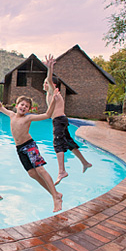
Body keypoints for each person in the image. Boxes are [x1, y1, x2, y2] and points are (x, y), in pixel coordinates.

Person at [0, 87, 63, 213]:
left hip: (29, 146)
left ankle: (56, 198)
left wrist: (53, 100)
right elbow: (0, 107)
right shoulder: (11, 115)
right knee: (32, 174)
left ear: (29, 110)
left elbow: (47, 115)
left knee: (40, 169)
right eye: (22, 104)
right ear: (17, 105)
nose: (24, 107)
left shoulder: (28, 118)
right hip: (19, 149)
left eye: (26, 106)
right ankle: (55, 193)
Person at [43, 55, 92, 185]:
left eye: (46, 82)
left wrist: (50, 68)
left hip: (59, 120)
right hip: (61, 119)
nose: (44, 84)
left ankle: (61, 171)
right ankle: (85, 163)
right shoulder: (51, 94)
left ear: (53, 85)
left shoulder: (53, 92)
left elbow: (49, 78)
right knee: (69, 143)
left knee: (57, 143)